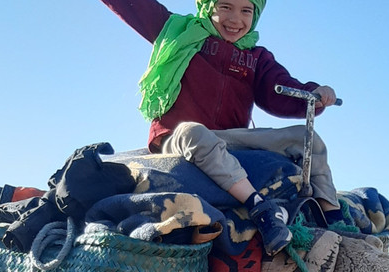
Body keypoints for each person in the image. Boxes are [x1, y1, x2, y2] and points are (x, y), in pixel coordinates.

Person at [100, 0, 344, 254]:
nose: (235, 19)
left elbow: (280, 90)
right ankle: (259, 206)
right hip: (178, 138)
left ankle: (333, 215)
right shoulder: (177, 31)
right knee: (193, 131)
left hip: (228, 140)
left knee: (306, 137)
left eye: (246, 10)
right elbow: (134, 6)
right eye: (226, 7)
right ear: (208, 7)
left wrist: (314, 93)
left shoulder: (256, 57)